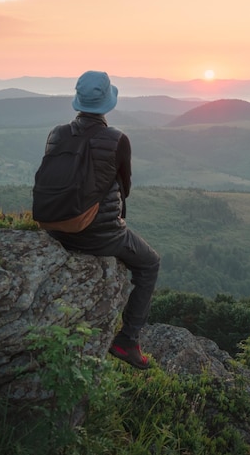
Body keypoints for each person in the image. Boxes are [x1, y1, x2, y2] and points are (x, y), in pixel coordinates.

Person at [41, 70, 160, 369]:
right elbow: (126, 189)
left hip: (55, 229)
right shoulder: (117, 139)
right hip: (100, 235)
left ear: (78, 101)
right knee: (150, 264)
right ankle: (127, 341)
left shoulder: (56, 133)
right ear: (108, 103)